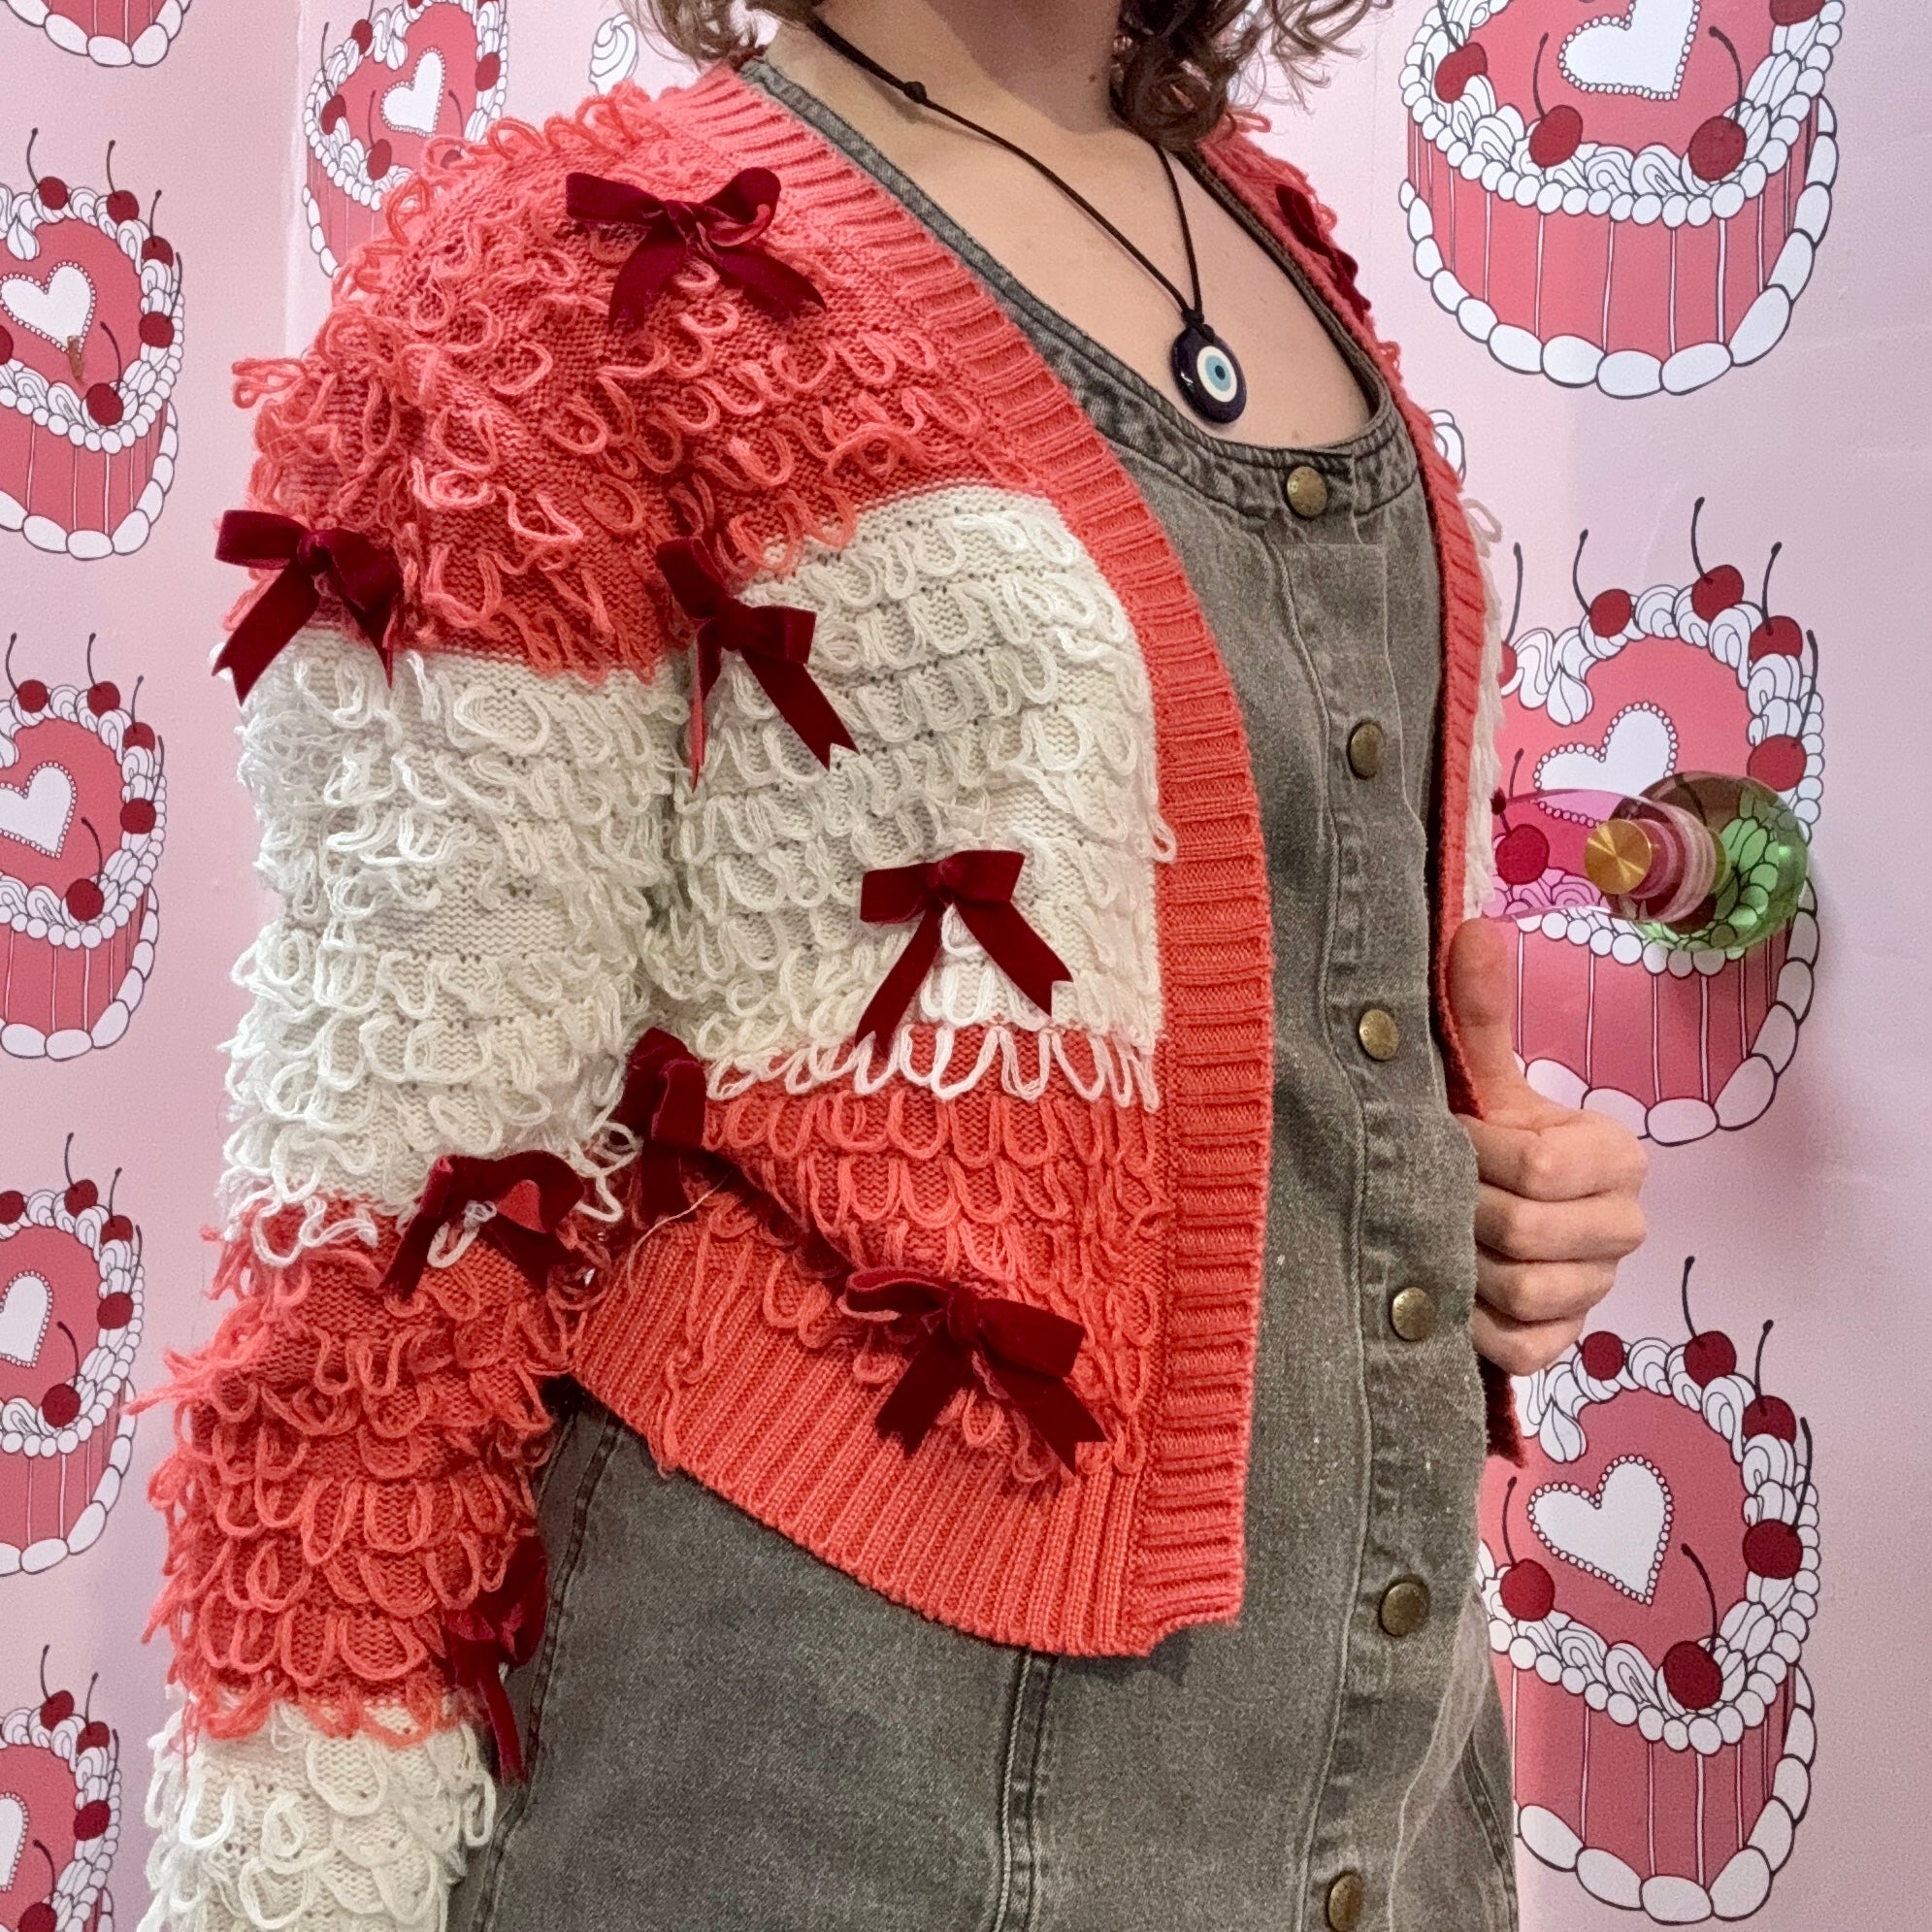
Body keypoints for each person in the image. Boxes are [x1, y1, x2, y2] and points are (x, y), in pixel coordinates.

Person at [139, 3, 1648, 1928]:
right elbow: (386, 1232)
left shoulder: (1263, 228)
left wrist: (1476, 1191)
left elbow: (1265, 972)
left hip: (1363, 1773)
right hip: (831, 1792)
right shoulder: (545, 285)